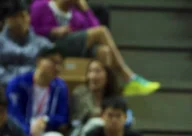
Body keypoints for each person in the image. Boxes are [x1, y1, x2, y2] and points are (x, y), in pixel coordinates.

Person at [30, 0, 160, 96]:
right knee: (101, 31)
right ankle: (128, 76)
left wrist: (86, 10)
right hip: (51, 46)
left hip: (74, 47)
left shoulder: (76, 14)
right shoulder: (41, 5)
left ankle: (104, 99)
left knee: (104, 51)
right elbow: (31, 30)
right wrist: (52, 31)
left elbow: (94, 27)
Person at [6, 46, 69, 136]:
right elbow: (14, 115)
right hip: (20, 132)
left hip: (46, 134)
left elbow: (62, 117)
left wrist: (46, 120)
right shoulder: (17, 84)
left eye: (60, 64)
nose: (57, 67)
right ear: (39, 61)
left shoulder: (60, 87)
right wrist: (29, 132)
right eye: (53, 62)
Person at [0, 0, 53, 86]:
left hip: (35, 87)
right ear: (7, 20)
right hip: (4, 88)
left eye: (25, 15)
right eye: (16, 16)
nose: (22, 20)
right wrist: (15, 82)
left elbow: (50, 68)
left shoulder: (43, 44)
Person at [70, 58, 122, 136]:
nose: (92, 76)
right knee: (97, 124)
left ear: (107, 75)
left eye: (97, 71)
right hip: (81, 134)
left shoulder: (115, 97)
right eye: (90, 71)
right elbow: (77, 119)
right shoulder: (80, 93)